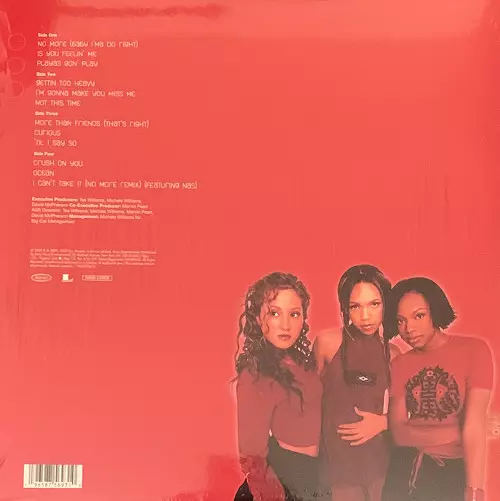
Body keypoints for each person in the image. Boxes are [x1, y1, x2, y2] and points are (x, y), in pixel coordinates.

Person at [382, 277, 494, 501]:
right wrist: (460, 430)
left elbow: (474, 426)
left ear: (435, 311)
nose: (409, 329)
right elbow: (400, 432)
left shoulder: (474, 350)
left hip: (451, 471)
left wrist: (475, 493)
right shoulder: (400, 363)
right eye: (401, 321)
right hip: (403, 469)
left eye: (419, 316)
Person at [233, 272, 327, 501]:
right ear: (258, 317)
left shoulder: (303, 363)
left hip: (315, 475)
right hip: (282, 480)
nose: (286, 325)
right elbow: (252, 452)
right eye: (274, 313)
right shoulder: (255, 373)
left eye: (294, 314)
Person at [314, 264, 401, 501]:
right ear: (345, 307)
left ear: (386, 305)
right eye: (355, 306)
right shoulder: (327, 343)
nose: (365, 316)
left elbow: (408, 412)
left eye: (374, 304)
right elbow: (305, 401)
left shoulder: (393, 354)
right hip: (335, 469)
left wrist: (383, 422)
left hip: (379, 468)